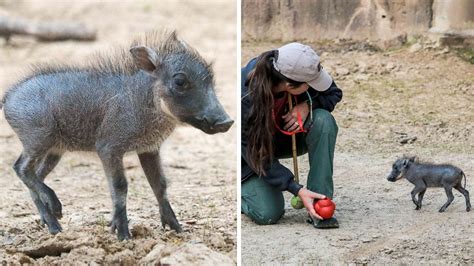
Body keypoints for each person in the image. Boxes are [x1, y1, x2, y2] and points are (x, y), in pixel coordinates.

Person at [241, 42, 342, 228]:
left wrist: (308, 106)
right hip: (250, 155)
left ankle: (320, 202)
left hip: (286, 138)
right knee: (268, 213)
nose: (315, 85)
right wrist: (296, 188)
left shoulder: (301, 68)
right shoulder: (244, 97)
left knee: (323, 121)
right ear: (290, 85)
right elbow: (257, 155)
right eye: (310, 84)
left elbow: (333, 93)